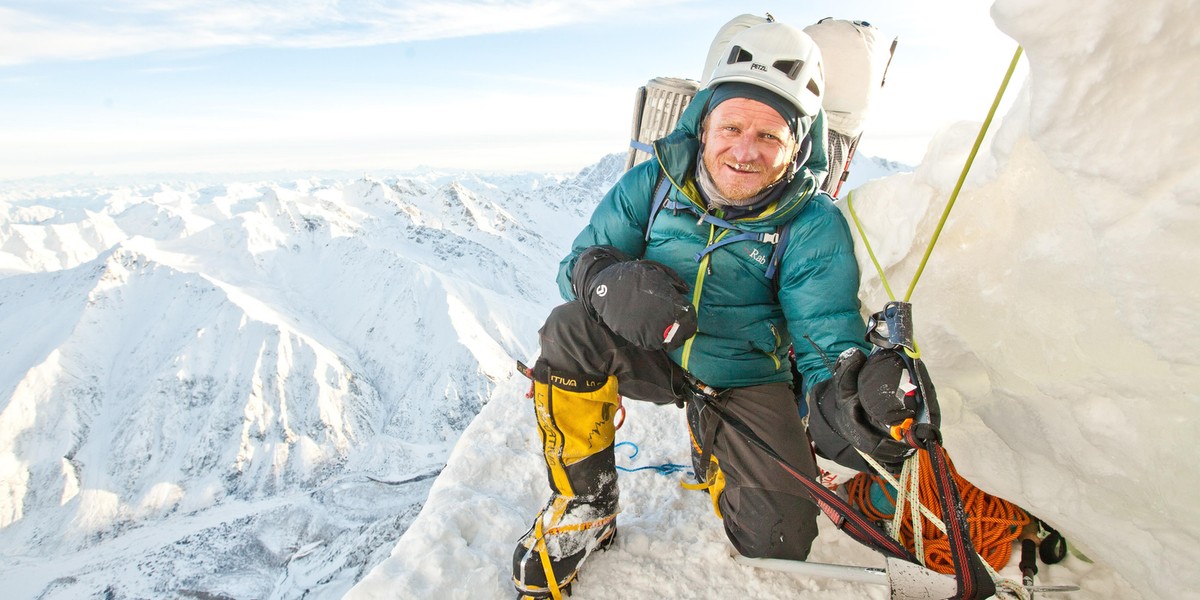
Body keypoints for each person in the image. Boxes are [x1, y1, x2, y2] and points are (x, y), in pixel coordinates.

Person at [512, 21, 873, 599]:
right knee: (570, 330)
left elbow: (825, 333)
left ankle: (716, 436)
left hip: (745, 375)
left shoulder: (811, 223)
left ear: (798, 146)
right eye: (731, 126)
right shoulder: (651, 184)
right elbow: (576, 263)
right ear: (703, 125)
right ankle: (586, 503)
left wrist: (850, 398)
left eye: (770, 135)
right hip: (654, 350)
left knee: (776, 540)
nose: (745, 150)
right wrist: (605, 278)